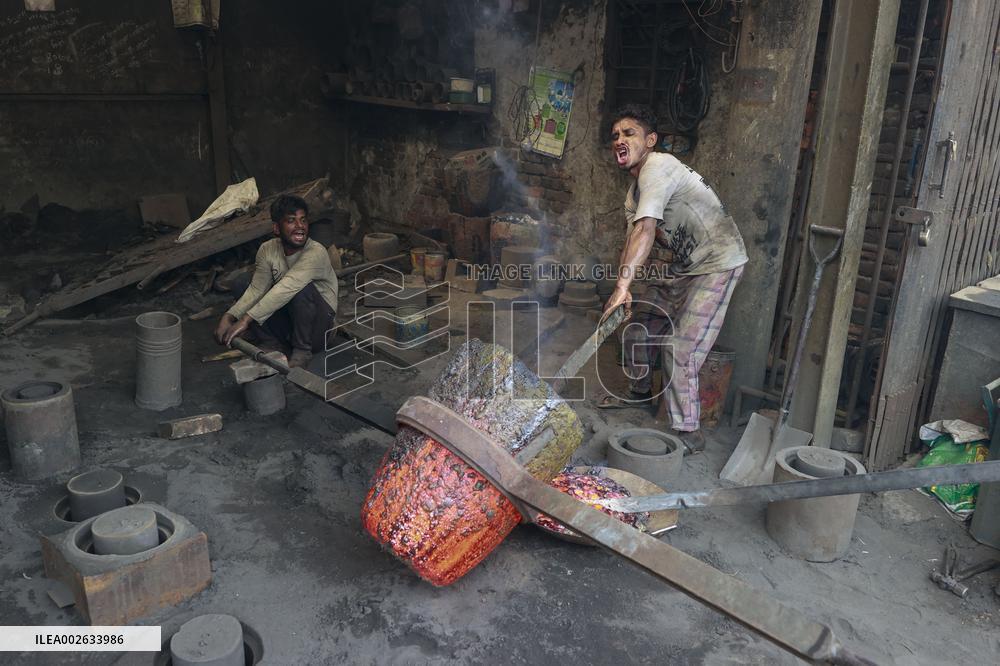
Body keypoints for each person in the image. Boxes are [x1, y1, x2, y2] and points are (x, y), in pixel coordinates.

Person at [600, 104, 747, 454]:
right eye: (615, 136)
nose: (619, 140)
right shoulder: (633, 194)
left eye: (629, 133)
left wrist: (622, 287)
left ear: (650, 141)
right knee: (642, 318)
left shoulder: (659, 167)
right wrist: (625, 292)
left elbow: (647, 229)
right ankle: (639, 392)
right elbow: (635, 238)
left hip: (719, 263)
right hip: (688, 266)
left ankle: (688, 431)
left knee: (682, 349)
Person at [214, 194, 338, 368]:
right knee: (242, 282)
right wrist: (230, 316)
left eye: (303, 220)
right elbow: (256, 289)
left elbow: (287, 287)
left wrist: (245, 320)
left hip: (318, 331)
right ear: (277, 228)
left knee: (299, 289)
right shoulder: (268, 249)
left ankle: (302, 351)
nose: (300, 226)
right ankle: (271, 342)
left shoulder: (316, 252)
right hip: (289, 321)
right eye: (291, 221)